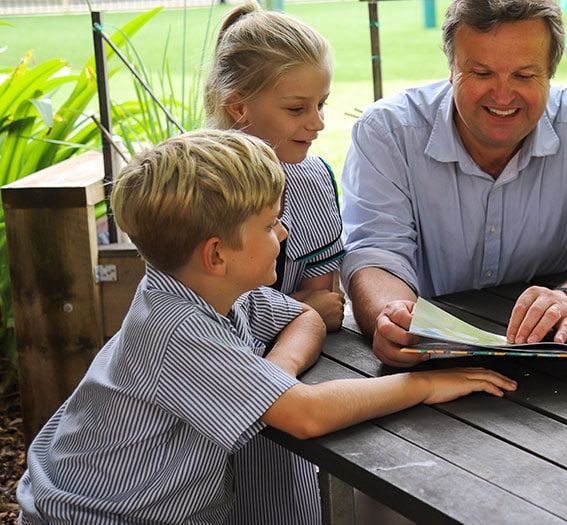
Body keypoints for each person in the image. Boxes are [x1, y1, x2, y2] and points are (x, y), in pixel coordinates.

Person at [16, 130, 517, 523]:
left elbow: (306, 316)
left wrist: (273, 375)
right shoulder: (178, 329)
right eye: (268, 224)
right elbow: (307, 416)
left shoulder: (220, 293)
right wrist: (423, 383)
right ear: (217, 254)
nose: (283, 233)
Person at [340, 0, 567, 369]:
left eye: (525, 75)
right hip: (427, 367)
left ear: (550, 74)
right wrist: (392, 316)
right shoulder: (387, 133)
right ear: (451, 68)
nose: (502, 94)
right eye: (481, 73)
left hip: (550, 364)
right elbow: (375, 253)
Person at [203, 0, 345, 525]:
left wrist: (296, 312)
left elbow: (325, 302)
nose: (318, 123)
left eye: (322, 104)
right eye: (297, 109)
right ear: (239, 107)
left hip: (287, 392)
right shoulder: (198, 190)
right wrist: (294, 310)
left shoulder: (311, 180)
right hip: (210, 400)